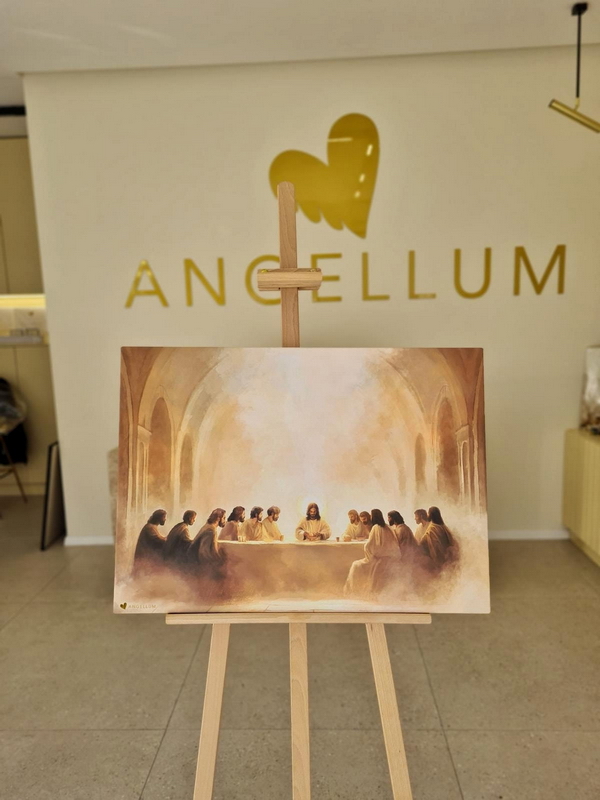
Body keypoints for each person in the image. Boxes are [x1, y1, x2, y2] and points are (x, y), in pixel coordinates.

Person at [344, 509, 401, 596]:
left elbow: (368, 546)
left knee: (355, 565)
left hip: (379, 558)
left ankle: (353, 591)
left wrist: (370, 555)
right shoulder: (388, 527)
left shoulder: (375, 528)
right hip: (389, 558)